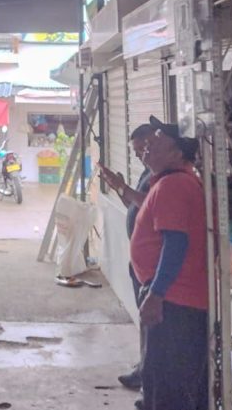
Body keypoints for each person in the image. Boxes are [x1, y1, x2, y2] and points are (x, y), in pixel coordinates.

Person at [129, 116, 207, 410]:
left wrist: (156, 294)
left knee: (167, 388)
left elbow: (176, 244)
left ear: (176, 153)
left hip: (175, 303)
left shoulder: (174, 185)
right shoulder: (171, 182)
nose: (148, 144)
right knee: (168, 382)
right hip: (176, 300)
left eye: (157, 140)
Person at [99, 123, 156, 403]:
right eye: (134, 151)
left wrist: (124, 188)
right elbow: (134, 205)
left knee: (153, 325)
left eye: (140, 149)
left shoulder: (164, 177)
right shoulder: (148, 173)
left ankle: (150, 378)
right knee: (145, 322)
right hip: (140, 262)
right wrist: (120, 190)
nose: (137, 155)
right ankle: (144, 368)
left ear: (151, 144)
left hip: (153, 265)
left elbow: (149, 204)